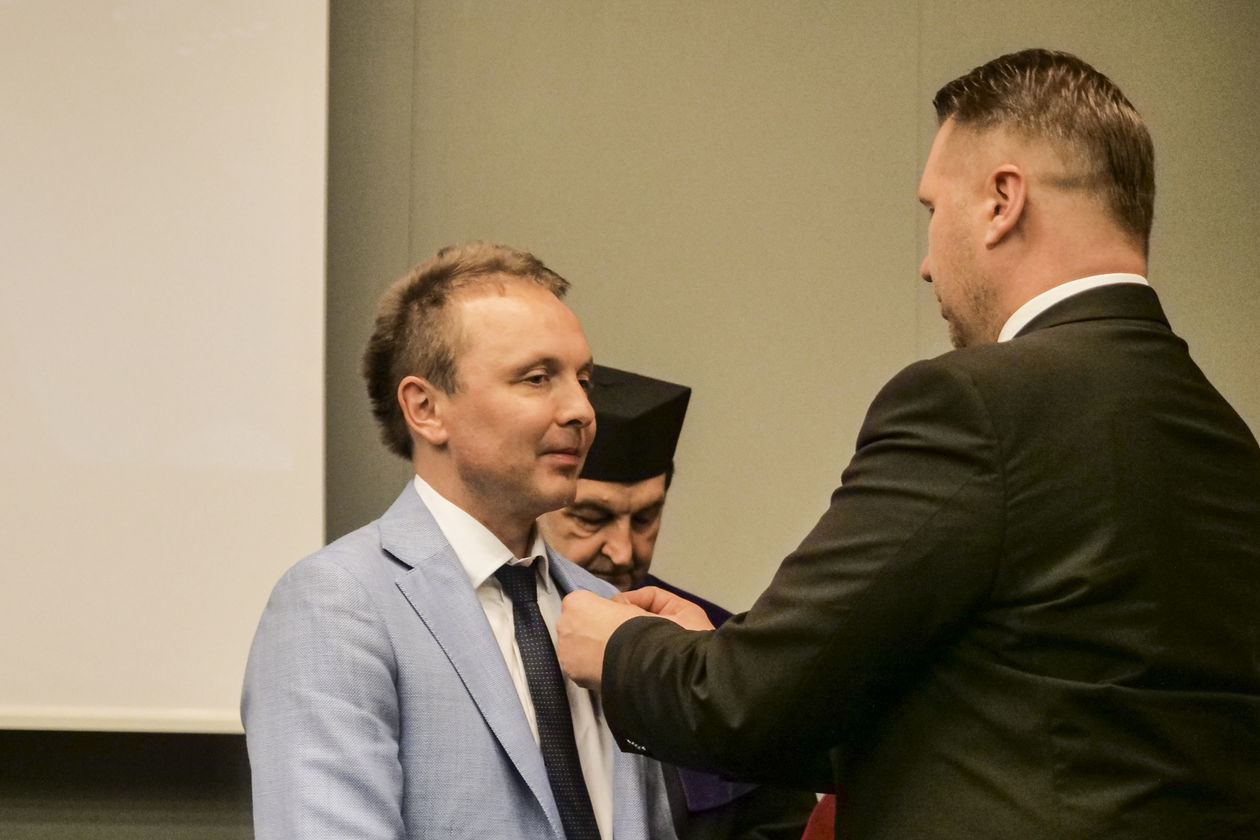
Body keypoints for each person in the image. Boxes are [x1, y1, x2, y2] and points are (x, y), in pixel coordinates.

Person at [556, 48, 1260, 839]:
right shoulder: (1225, 438)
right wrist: (713, 650)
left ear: (1002, 201)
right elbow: (1018, 714)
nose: (927, 265)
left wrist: (622, 649)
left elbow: (749, 702)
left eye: (932, 209)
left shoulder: (978, 404)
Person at [242, 242, 678, 840]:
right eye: (537, 378)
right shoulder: (339, 604)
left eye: (584, 380)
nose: (581, 409)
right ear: (426, 408)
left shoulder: (605, 610)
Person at [538, 365, 817, 840]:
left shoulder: (717, 644)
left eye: (645, 518)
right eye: (591, 518)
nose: (623, 551)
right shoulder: (489, 635)